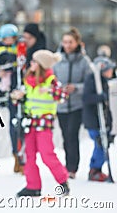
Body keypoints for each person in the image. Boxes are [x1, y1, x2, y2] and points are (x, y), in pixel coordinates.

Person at [11, 49, 69, 197]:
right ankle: (33, 186)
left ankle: (63, 181)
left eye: (34, 61)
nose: (31, 63)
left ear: (42, 65)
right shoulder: (28, 80)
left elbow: (63, 95)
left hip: (44, 123)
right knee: (29, 155)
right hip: (30, 122)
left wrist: (50, 90)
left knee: (46, 154)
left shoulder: (51, 81)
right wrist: (17, 97)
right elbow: (24, 100)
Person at [53, 27, 91, 179]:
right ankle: (68, 164)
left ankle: (71, 168)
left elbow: (89, 83)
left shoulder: (84, 61)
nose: (67, 45)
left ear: (77, 43)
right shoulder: (57, 60)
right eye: (65, 42)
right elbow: (51, 79)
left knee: (72, 134)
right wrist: (56, 88)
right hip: (61, 105)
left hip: (77, 105)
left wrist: (76, 88)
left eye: (70, 42)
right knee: (65, 136)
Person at [0, 23, 22, 173]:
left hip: (18, 88)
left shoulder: (19, 49)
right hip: (8, 89)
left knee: (19, 124)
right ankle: (16, 156)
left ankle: (20, 156)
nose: (9, 40)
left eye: (11, 38)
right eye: (7, 38)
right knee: (13, 124)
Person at [82, 57, 115, 182]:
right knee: (100, 143)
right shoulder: (92, 80)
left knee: (104, 143)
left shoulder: (105, 82)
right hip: (93, 121)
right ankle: (94, 169)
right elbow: (87, 98)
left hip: (103, 120)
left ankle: (98, 168)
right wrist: (100, 97)